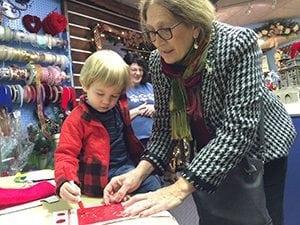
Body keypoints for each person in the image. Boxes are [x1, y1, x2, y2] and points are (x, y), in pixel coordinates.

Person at [103, 1, 296, 225]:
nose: (158, 42)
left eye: (165, 30)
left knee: (262, 217)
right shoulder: (159, 61)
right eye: (152, 32)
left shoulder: (236, 43)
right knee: (213, 216)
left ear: (195, 24)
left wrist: (178, 189)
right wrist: (138, 174)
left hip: (261, 148)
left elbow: (238, 130)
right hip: (211, 148)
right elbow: (164, 128)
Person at [54, 50, 161, 204]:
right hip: (98, 178)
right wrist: (65, 181)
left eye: (113, 96)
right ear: (85, 85)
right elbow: (66, 154)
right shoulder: (76, 120)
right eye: (100, 93)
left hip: (126, 167)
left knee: (153, 184)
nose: (106, 101)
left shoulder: (119, 105)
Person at [124, 52, 155, 147]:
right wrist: (138, 111)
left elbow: (163, 108)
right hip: (134, 140)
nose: (138, 73)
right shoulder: (121, 89)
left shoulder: (150, 87)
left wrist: (154, 108)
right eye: (134, 70)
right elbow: (119, 118)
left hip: (155, 138)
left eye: (140, 70)